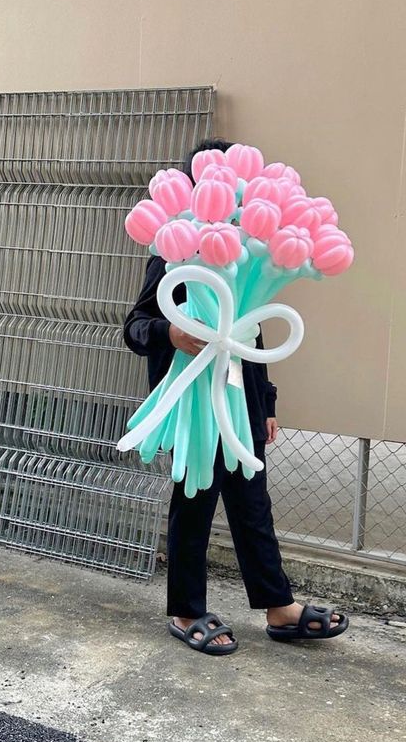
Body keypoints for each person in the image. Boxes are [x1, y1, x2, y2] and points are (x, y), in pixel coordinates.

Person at [123, 138, 349, 656]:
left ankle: (279, 608)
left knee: (252, 505)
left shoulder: (250, 254)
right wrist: (172, 335)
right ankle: (185, 609)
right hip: (192, 405)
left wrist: (266, 402)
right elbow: (135, 326)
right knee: (195, 503)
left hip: (241, 401)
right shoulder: (174, 250)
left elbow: (255, 333)